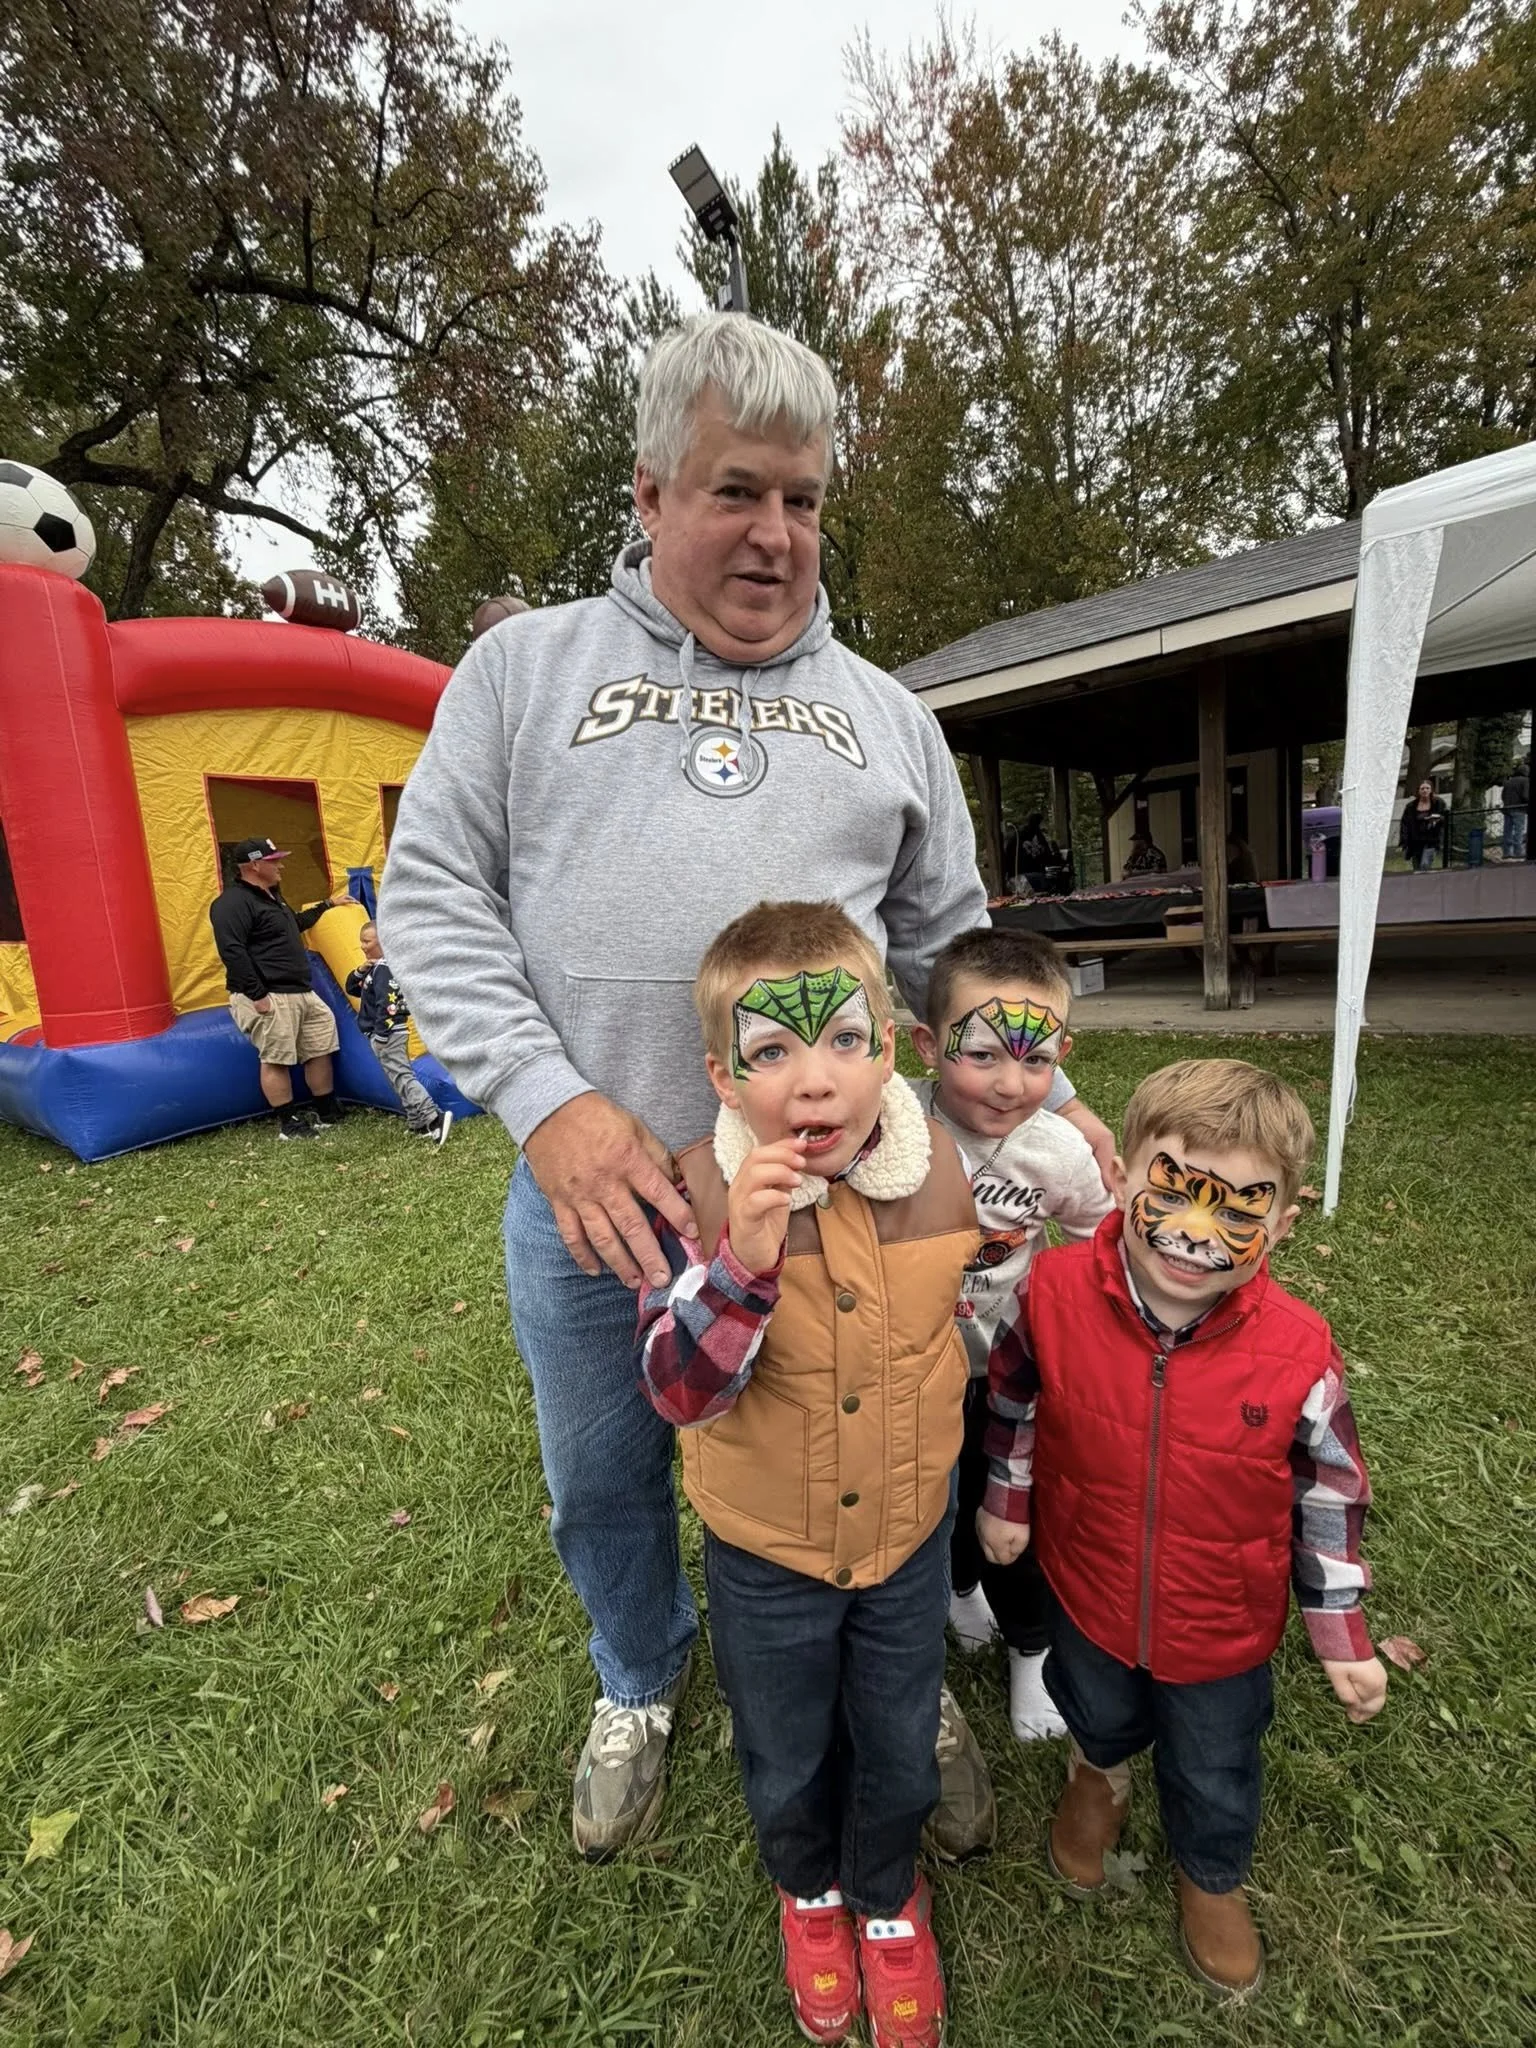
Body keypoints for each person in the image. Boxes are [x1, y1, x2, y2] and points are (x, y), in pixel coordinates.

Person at [377, 312, 1116, 1858]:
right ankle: (640, 1676)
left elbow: (948, 960)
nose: (776, 534)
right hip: (604, 1197)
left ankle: (896, 1684)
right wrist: (548, 1098)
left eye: (803, 497)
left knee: (894, 1444)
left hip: (855, 1212)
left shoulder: (891, 716)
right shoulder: (523, 674)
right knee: (603, 1473)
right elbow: (432, 897)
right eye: (736, 492)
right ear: (649, 496)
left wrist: (1031, 1099)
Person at [635, 901, 979, 2048]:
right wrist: (741, 1264)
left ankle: (886, 1894)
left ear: (891, 1044)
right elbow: (678, 1387)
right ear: (723, 1077)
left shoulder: (946, 1179)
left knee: (894, 1737)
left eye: (842, 1040)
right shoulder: (691, 1195)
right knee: (784, 1745)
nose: (814, 1081)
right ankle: (811, 1893)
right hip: (764, 1551)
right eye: (771, 1050)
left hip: (903, 1538)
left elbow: (971, 1328)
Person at [979, 1058, 1386, 2000]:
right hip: (1086, 1583)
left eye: (1239, 1208)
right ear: (1120, 1176)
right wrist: (1006, 1500)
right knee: (1098, 1706)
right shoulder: (1051, 1294)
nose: (1197, 1233)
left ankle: (1212, 1877)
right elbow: (1014, 1397)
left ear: (1282, 1223)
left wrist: (1341, 1631)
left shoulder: (1298, 1350)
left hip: (1222, 1626)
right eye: (1175, 1190)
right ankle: (1099, 1777)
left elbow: (1330, 1494)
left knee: (1215, 1763)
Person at [909, 928, 1110, 1743]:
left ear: (1060, 1054)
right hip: (911, 1371)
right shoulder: (889, 1129)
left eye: (1036, 1060)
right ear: (927, 1045)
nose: (1009, 1082)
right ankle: (959, 1594)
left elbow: (1103, 1240)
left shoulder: (1056, 1150)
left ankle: (1032, 1649)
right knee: (938, 1501)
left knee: (1011, 1511)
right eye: (982, 1054)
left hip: (1010, 1373)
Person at [209, 836, 351, 1140]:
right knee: (275, 1057)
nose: (282, 866)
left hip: (300, 990)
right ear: (255, 865)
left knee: (320, 1046)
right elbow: (232, 951)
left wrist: (327, 905)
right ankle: (289, 1123)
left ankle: (326, 1110)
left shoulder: (273, 895)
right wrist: (257, 994)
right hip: (268, 993)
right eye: (275, 861)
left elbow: (293, 925)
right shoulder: (232, 903)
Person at [345, 921, 453, 1145]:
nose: (363, 946)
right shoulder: (376, 968)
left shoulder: (386, 968)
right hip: (383, 1033)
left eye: (367, 941)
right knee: (396, 1077)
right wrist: (362, 969)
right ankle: (417, 1121)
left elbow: (388, 1005)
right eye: (361, 942)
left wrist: (382, 1035)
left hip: (389, 1033)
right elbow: (353, 988)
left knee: (403, 1077)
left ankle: (433, 1118)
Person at [1398, 780, 1448, 870]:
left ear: (1431, 790)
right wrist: (1403, 841)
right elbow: (1404, 824)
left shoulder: (1438, 803)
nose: (1425, 790)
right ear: (1419, 791)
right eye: (1422, 788)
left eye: (1427, 788)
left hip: (1431, 840)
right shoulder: (1411, 806)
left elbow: (1446, 818)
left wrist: (1438, 820)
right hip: (1415, 841)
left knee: (1425, 865)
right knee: (1417, 868)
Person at [1501, 759, 1528, 862]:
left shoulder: (1508, 782)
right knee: (1518, 831)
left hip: (1507, 809)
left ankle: (1506, 853)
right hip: (1519, 808)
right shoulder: (1525, 781)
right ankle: (1518, 852)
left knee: (1507, 831)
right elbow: (1525, 796)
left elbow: (1503, 796)